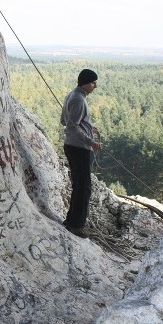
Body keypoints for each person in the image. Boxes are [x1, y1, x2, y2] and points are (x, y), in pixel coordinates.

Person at [60, 68, 102, 236]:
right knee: (84, 188)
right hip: (80, 149)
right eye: (93, 82)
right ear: (85, 83)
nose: (95, 86)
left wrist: (90, 127)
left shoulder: (72, 95)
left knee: (79, 185)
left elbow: (65, 120)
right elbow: (71, 127)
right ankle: (76, 225)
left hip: (72, 146)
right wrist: (90, 141)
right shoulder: (79, 100)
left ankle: (71, 220)